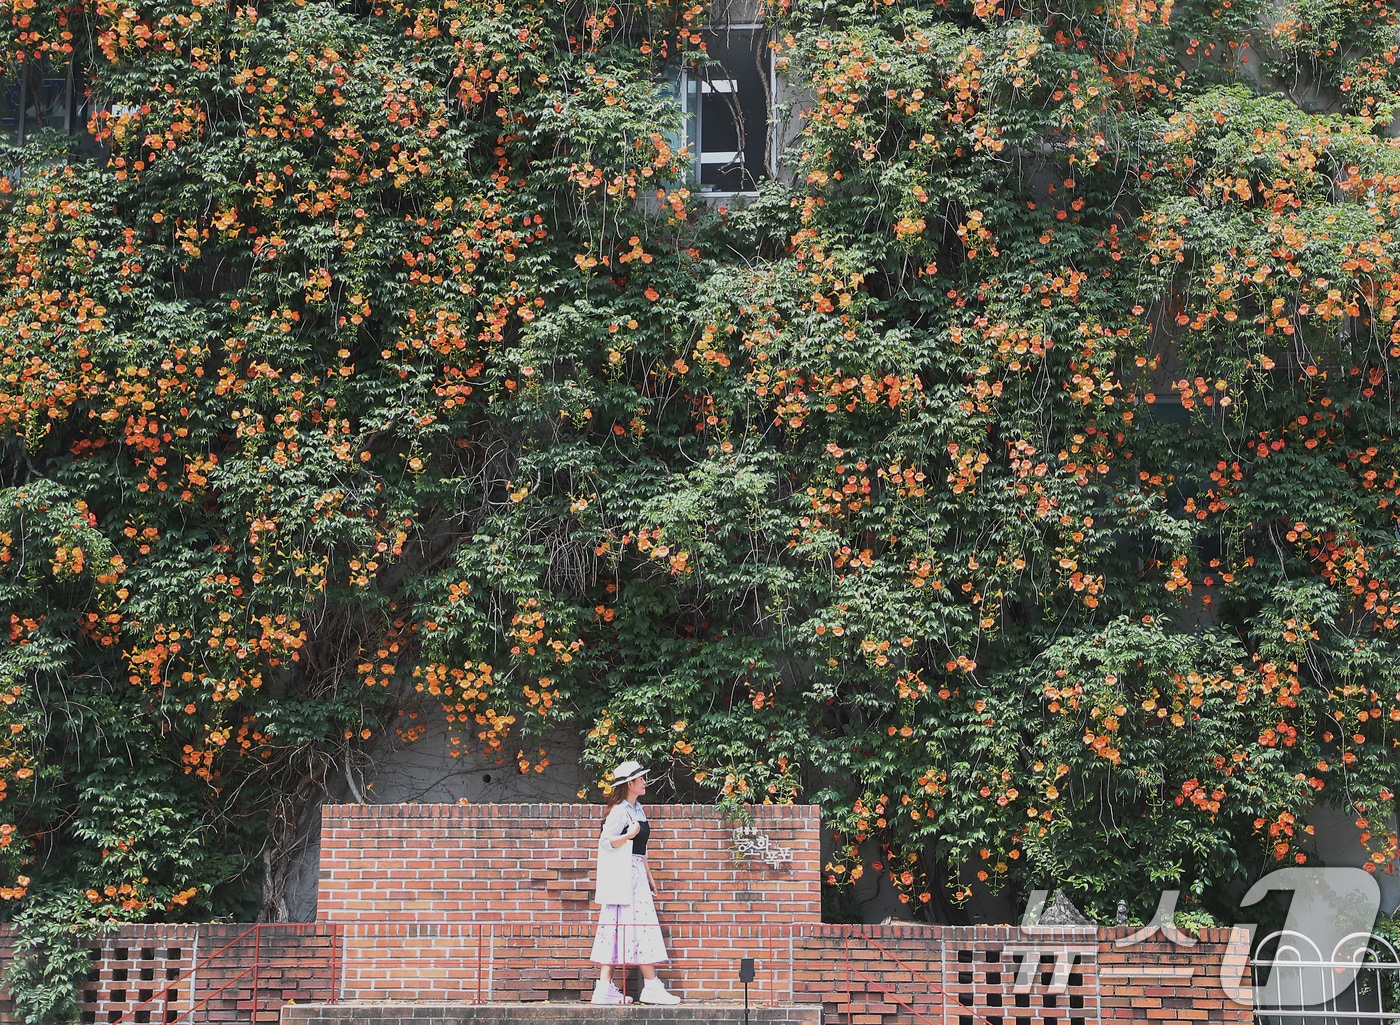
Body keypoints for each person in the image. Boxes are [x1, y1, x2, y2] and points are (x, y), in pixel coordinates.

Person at [589, 760, 681, 1005]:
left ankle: (604, 987)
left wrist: (650, 877)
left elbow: (642, 850)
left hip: (636, 871)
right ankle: (650, 985)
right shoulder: (620, 810)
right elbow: (605, 842)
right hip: (624, 874)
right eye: (640, 779)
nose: (644, 782)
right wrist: (628, 835)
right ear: (630, 783)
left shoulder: (638, 808)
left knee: (620, 924)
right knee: (636, 924)